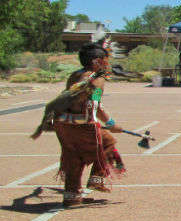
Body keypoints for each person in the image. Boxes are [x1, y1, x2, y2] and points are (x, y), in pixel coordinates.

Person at [53, 42, 127, 207]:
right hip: (81, 125)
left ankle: (71, 197)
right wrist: (112, 124)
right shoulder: (97, 80)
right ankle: (97, 179)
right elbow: (96, 105)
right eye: (104, 59)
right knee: (107, 143)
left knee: (73, 157)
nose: (107, 63)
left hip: (62, 124)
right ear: (96, 61)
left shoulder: (74, 75)